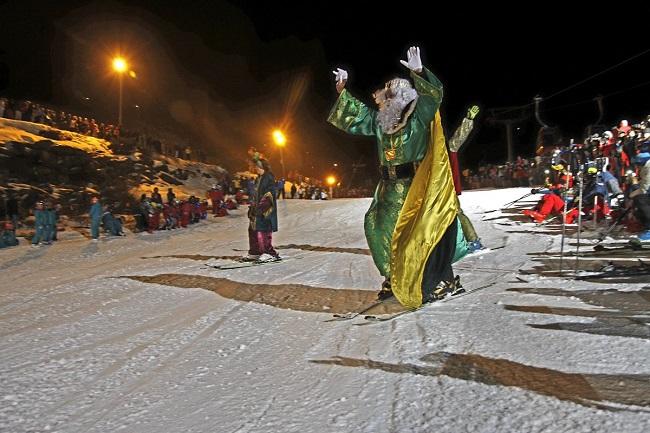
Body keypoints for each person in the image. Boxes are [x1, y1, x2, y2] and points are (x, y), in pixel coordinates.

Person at [328, 46, 468, 307]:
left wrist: (418, 71)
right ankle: (394, 278)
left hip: (416, 189)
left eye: (393, 98)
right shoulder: (381, 122)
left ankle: (443, 280)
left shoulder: (418, 119)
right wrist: (341, 91)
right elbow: (357, 115)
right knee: (377, 228)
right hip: (388, 190)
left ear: (404, 100)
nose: (387, 102)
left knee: (424, 234)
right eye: (386, 98)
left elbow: (432, 98)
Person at [243, 155, 280, 262]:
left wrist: (262, 208)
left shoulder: (268, 177)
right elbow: (255, 195)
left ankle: (269, 253)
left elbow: (270, 194)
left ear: (263, 167)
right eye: (255, 167)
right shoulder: (258, 179)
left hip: (265, 210)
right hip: (256, 210)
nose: (256, 169)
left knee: (263, 231)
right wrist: (252, 207)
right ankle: (255, 252)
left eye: (258, 167)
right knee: (253, 230)